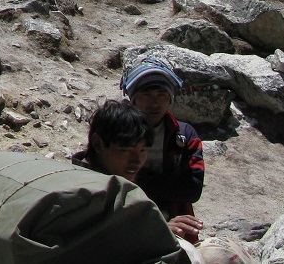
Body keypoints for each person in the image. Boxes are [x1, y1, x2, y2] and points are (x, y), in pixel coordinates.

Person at [74, 99, 204, 244]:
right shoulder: (81, 192)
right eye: (126, 150)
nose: (136, 161)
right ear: (98, 143)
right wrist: (156, 232)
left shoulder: (123, 185)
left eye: (143, 150)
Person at [122, 58, 206, 239]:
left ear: (170, 98)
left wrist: (138, 178)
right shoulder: (115, 132)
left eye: (162, 94)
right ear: (133, 98)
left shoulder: (185, 135)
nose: (155, 103)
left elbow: (193, 189)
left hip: (176, 223)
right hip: (124, 220)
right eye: (146, 94)